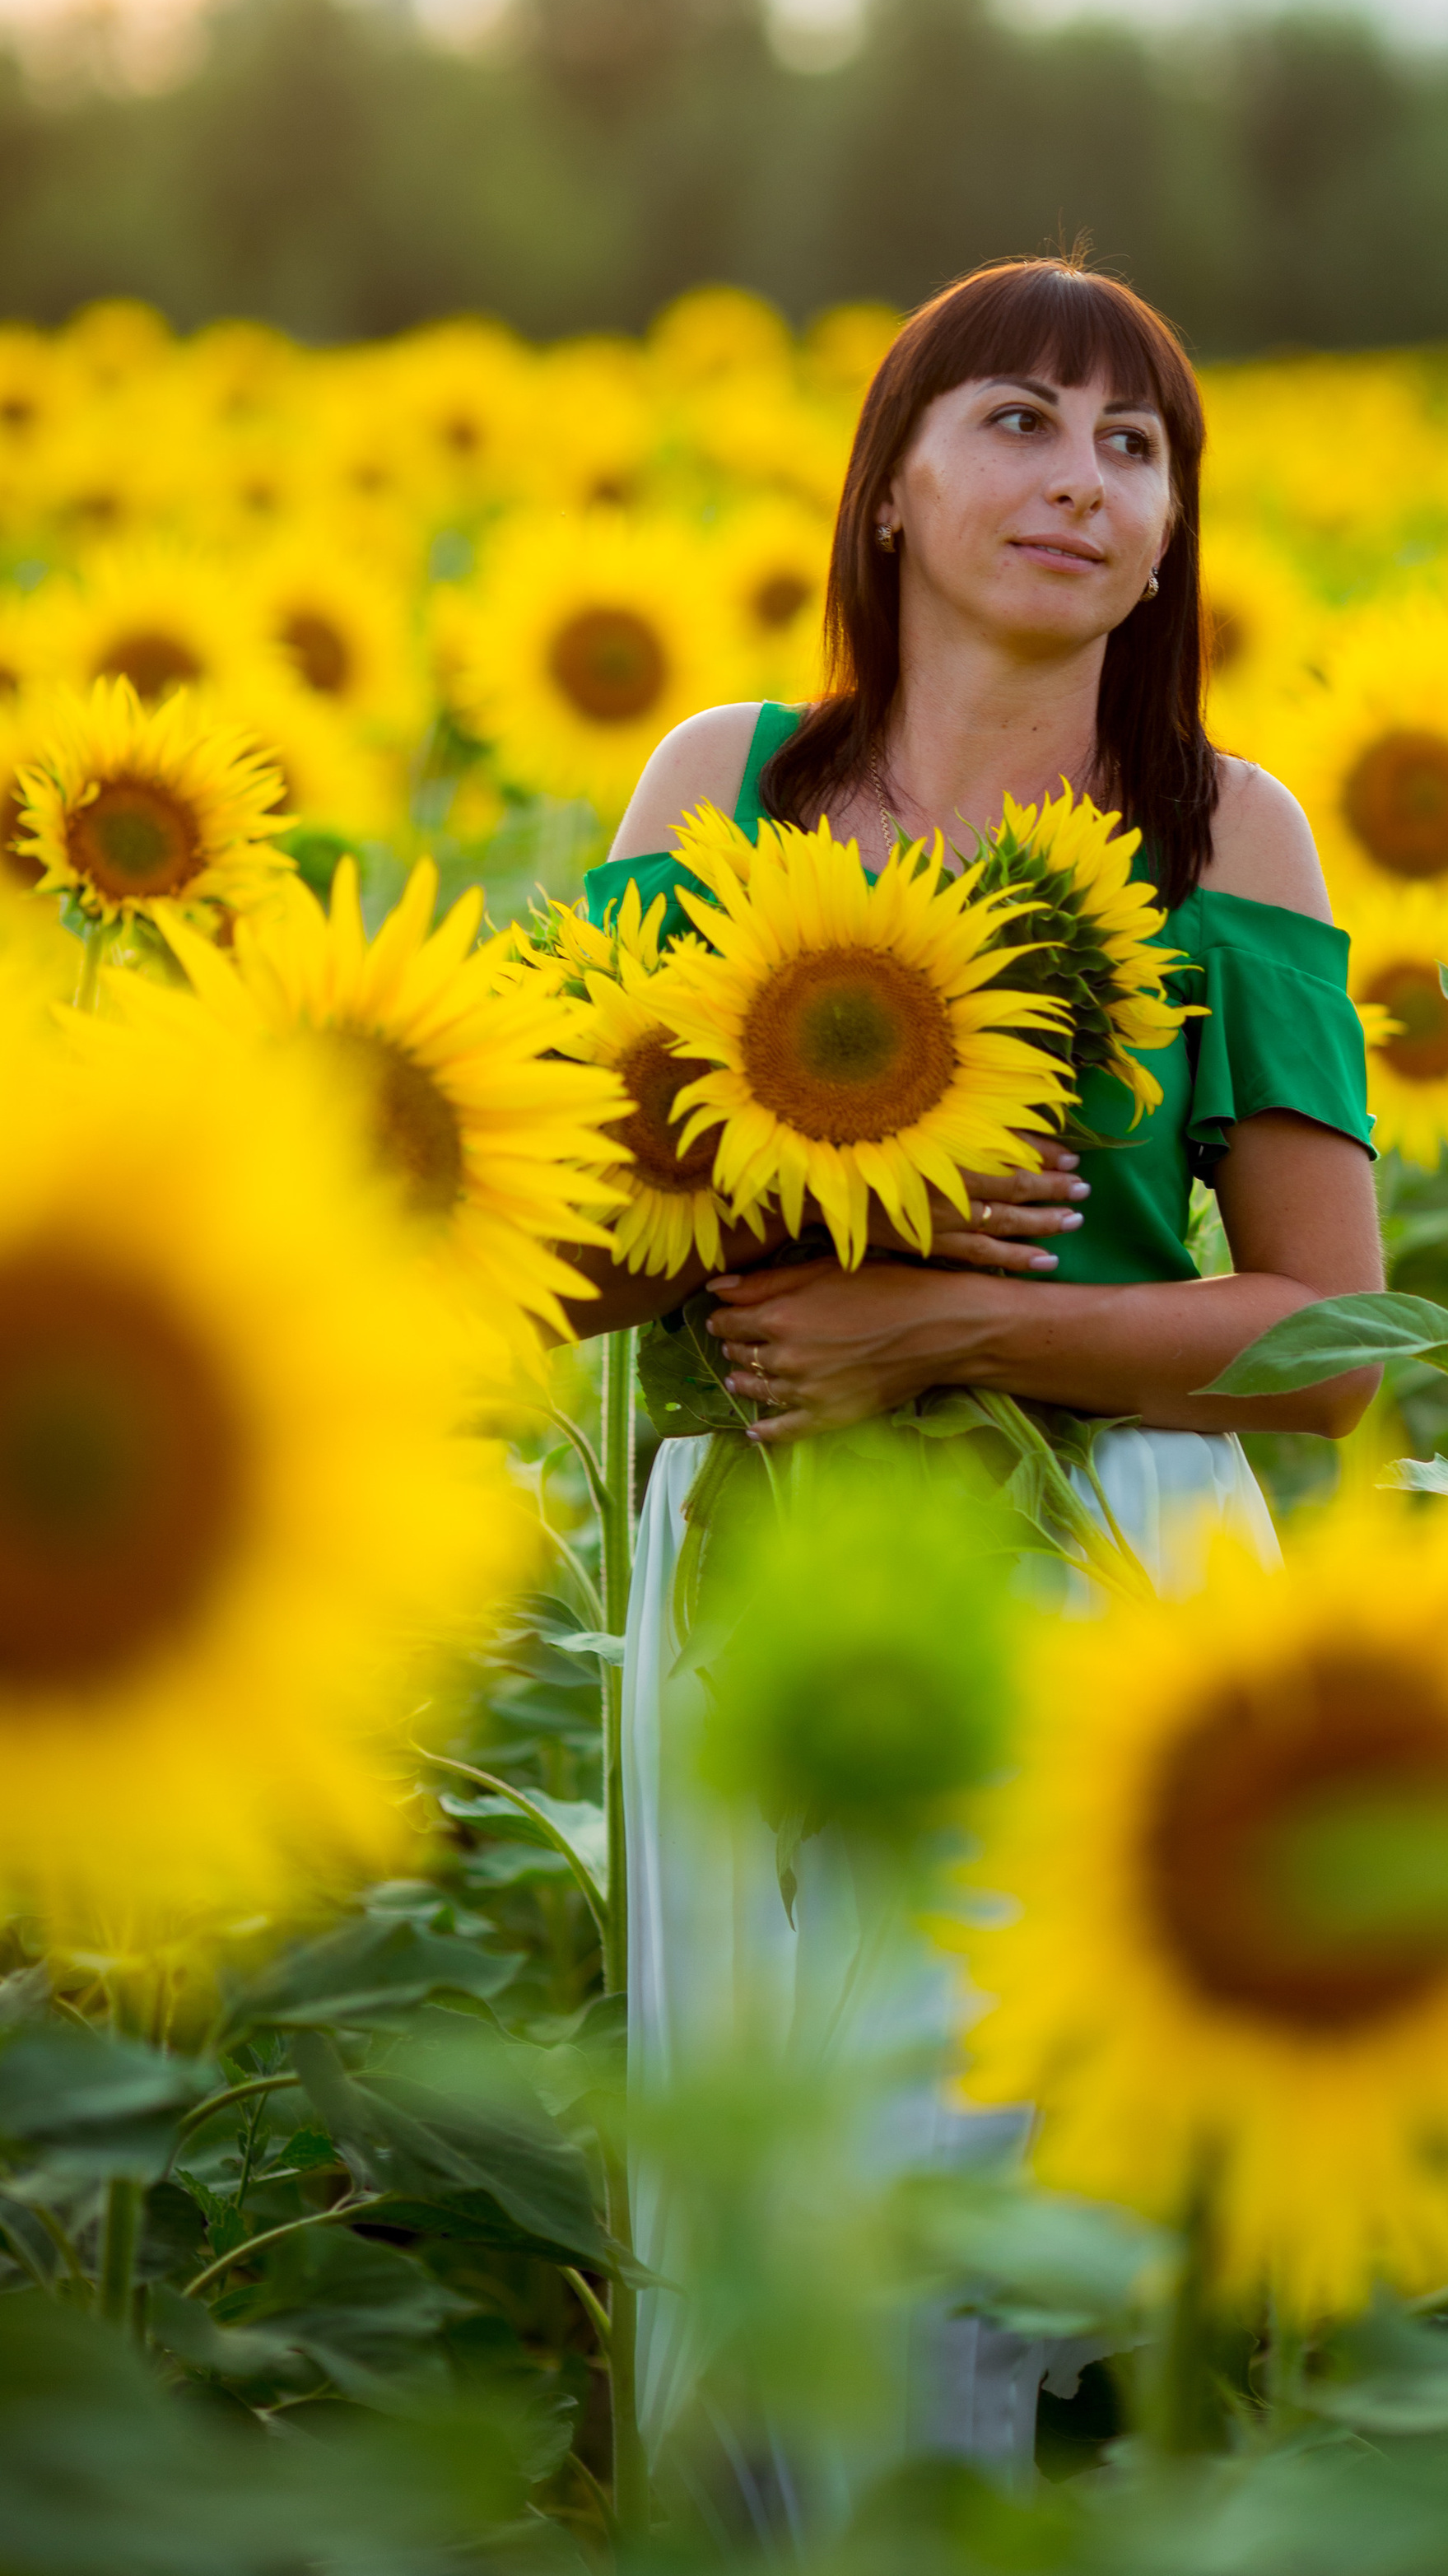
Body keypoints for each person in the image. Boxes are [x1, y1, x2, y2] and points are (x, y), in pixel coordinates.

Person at [571, 256, 1384, 2508]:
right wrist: (798, 1214)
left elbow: (1329, 1337)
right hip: (755, 1564)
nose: (1084, 480)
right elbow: (558, 1242)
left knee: (979, 2242)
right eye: (1020, 422)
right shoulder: (720, 790)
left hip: (1094, 1570)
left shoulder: (1230, 837)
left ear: (1170, 534)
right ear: (895, 494)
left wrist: (956, 1326)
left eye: (1137, 448)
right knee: (748, 2219)